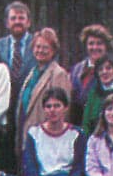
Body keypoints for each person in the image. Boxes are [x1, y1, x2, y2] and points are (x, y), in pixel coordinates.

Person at [15, 27, 73, 156]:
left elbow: (62, 112)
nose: (40, 50)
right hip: (26, 136)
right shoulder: (32, 73)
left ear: (53, 51)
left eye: (45, 47)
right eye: (37, 47)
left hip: (46, 141)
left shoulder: (58, 74)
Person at [0, 1, 37, 140]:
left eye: (21, 18)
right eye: (13, 18)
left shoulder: (38, 45)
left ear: (28, 22)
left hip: (30, 109)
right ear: (7, 23)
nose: (17, 22)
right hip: (4, 111)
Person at [69, 24, 113, 127]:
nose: (95, 47)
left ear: (106, 46)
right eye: (91, 43)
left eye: (99, 44)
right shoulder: (76, 70)